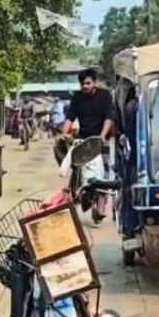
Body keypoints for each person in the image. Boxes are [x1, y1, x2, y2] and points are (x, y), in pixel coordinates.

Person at [56, 68, 115, 219]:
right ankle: (79, 193)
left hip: (101, 140)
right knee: (74, 165)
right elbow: (69, 118)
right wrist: (64, 134)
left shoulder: (105, 96)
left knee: (104, 174)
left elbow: (109, 118)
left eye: (88, 83)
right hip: (83, 140)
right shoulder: (77, 98)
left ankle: (101, 206)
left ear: (94, 83)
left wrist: (102, 136)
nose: (85, 86)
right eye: (82, 84)